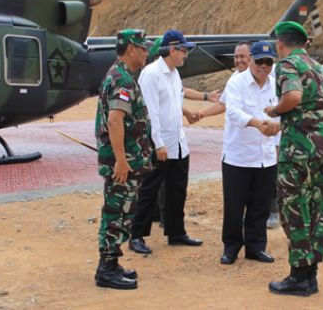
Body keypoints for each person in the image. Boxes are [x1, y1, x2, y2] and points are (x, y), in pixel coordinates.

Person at [265, 21, 323, 296]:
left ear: (280, 45)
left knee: (294, 209)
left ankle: (298, 277)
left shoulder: (287, 65)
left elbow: (294, 96)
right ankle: (311, 275)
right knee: (317, 209)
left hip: (299, 150)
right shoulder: (320, 68)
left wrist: (275, 111)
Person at [129, 29, 209, 254]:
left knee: (177, 190)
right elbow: (150, 112)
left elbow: (174, 103)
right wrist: (159, 143)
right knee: (149, 190)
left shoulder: (174, 74)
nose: (186, 55)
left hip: (178, 142)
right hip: (160, 144)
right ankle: (136, 236)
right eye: (183, 50)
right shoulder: (151, 74)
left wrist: (188, 114)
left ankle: (176, 232)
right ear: (173, 50)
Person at [94, 29, 154, 290]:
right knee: (116, 212)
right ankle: (106, 270)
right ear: (131, 49)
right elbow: (115, 119)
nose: (146, 53)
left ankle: (112, 262)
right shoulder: (122, 79)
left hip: (127, 160)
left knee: (122, 211)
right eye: (143, 48)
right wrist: (120, 160)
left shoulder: (121, 75)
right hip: (123, 162)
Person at [219, 41, 279, 265]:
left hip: (266, 157)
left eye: (268, 62)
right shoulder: (237, 82)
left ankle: (256, 247)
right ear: (251, 59)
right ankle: (231, 246)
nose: (263, 66)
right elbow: (233, 112)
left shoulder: (275, 85)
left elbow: (281, 112)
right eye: (259, 61)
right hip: (239, 156)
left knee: (260, 205)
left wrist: (277, 128)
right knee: (234, 206)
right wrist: (257, 123)